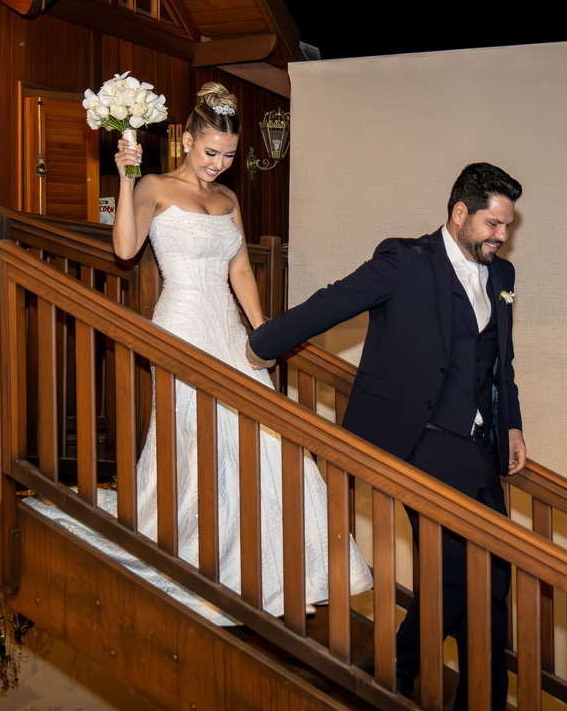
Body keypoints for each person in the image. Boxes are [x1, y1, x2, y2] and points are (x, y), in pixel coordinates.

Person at [246, 162, 527, 708]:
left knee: (494, 578)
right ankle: (395, 670)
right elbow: (332, 302)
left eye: (507, 226)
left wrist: (511, 422)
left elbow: (502, 363)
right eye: (493, 224)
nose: (502, 235)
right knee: (455, 572)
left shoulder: (503, 277)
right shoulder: (406, 260)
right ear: (460, 213)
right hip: (420, 440)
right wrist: (263, 345)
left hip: (477, 447)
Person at [101, 82, 371, 621]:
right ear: (187, 142)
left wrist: (263, 331)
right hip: (181, 324)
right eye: (210, 152)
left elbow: (241, 268)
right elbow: (126, 249)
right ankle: (194, 557)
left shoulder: (228, 199)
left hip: (227, 326)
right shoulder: (154, 185)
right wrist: (126, 177)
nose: (219, 164)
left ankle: (266, 571)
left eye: (227, 155)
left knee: (268, 436)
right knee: (200, 436)